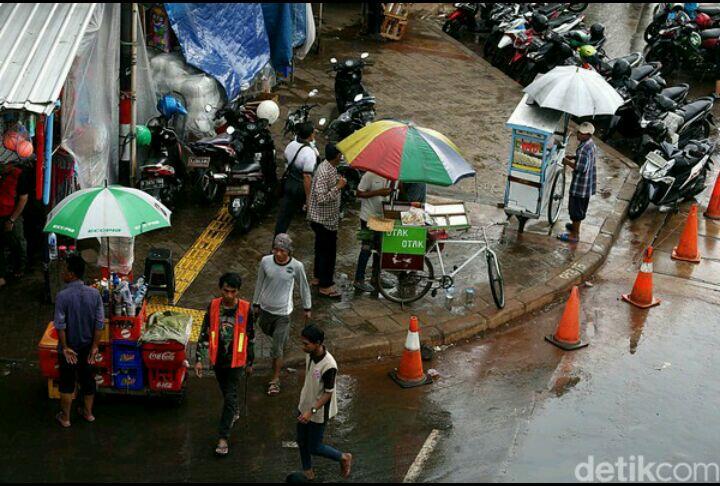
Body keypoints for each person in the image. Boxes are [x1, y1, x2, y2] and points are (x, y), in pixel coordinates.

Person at [195, 272, 255, 456]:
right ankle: (234, 408)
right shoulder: (213, 306)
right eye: (226, 291)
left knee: (229, 397)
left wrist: (250, 361)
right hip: (218, 361)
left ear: (238, 291)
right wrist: (199, 359)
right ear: (221, 289)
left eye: (233, 292)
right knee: (227, 393)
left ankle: (223, 437)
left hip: (236, 363)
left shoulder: (246, 309)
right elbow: (205, 333)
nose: (229, 295)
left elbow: (250, 337)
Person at [253, 233, 312, 396]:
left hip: (283, 314)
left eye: (282, 251)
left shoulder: (296, 266)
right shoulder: (265, 262)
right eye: (276, 250)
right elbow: (259, 282)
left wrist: (307, 308)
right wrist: (256, 303)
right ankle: (282, 338)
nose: (278, 254)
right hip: (265, 310)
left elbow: (304, 287)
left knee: (276, 348)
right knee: (265, 330)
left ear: (289, 252)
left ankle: (275, 380)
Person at [53, 255, 104, 428]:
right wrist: (95, 346)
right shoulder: (95, 294)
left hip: (70, 350)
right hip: (87, 348)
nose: (63, 272)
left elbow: (60, 325)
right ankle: (88, 413)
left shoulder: (62, 296)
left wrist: (66, 347)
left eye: (65, 269)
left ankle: (65, 418)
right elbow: (99, 323)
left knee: (67, 383)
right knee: (88, 380)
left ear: (72, 274)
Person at [297, 324, 352, 480]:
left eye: (306, 344)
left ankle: (343, 457)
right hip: (304, 406)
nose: (303, 347)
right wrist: (304, 408)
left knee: (314, 446)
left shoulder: (329, 366)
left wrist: (311, 412)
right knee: (301, 441)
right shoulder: (310, 354)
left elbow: (328, 394)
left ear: (318, 343)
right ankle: (307, 471)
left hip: (317, 413)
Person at [307, 144, 345, 299]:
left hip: (326, 218)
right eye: (340, 155)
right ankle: (325, 285)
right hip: (323, 220)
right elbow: (321, 198)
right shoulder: (323, 171)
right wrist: (338, 187)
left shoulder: (330, 167)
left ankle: (318, 277)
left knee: (321, 250)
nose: (341, 157)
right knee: (328, 253)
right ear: (336, 156)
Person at [275, 122, 320, 236]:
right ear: (310, 135)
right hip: (300, 186)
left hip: (289, 182)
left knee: (284, 217)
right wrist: (309, 199)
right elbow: (307, 177)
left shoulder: (291, 145)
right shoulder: (309, 153)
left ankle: (277, 240)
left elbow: (286, 160)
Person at [558, 122, 597, 243]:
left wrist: (567, 162)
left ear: (588, 135)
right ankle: (575, 227)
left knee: (575, 209)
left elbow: (581, 168)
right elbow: (584, 160)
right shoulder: (590, 144)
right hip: (587, 185)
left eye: (581, 133)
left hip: (580, 185)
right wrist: (574, 157)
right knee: (579, 208)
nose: (578, 135)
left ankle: (574, 235)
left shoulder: (584, 149)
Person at [353, 172, 392, 293]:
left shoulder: (393, 177)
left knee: (380, 249)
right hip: (367, 218)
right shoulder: (369, 175)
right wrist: (378, 192)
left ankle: (376, 278)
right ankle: (358, 279)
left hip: (383, 217)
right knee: (366, 248)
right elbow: (359, 193)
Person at [0, 161, 29, 288]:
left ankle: (20, 267)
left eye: (3, 165)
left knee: (17, 241)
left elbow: (23, 199)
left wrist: (12, 219)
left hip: (12, 213)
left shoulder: (19, 176)